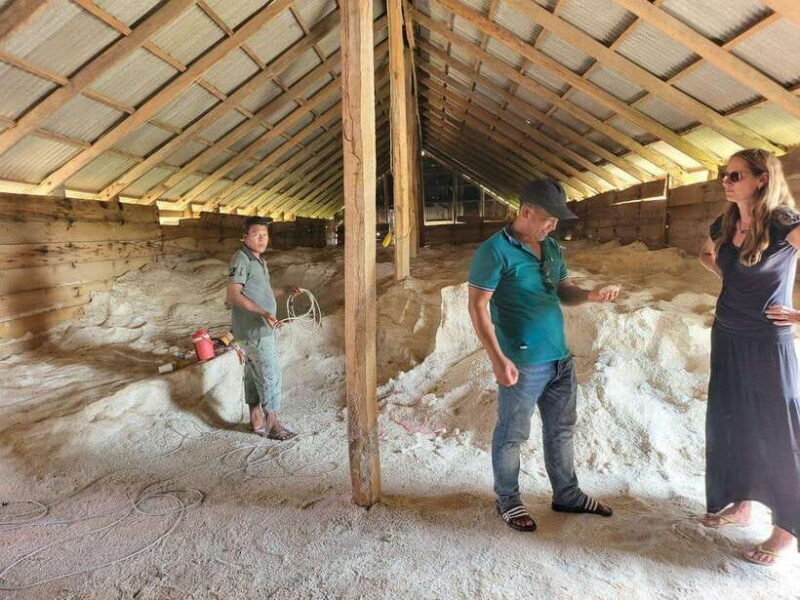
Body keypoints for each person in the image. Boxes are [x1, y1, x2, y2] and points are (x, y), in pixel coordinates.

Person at [467, 178, 621, 532]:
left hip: (559, 357)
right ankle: (507, 500)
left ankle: (567, 494)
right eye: (549, 219)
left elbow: (563, 290)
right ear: (526, 212)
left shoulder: (550, 247)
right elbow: (477, 307)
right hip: (522, 361)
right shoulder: (493, 251)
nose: (554, 226)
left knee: (562, 430)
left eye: (557, 220)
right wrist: (497, 358)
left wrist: (591, 295)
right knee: (512, 433)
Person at [698, 148, 800, 566]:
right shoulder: (724, 222)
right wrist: (736, 280)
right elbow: (708, 255)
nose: (727, 181)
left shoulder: (783, 223)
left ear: (761, 179)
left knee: (780, 429)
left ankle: (786, 531)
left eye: (736, 175)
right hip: (727, 335)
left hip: (767, 339)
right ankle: (743, 504)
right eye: (725, 174)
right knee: (732, 419)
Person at [226, 216, 301, 440]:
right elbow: (233, 295)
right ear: (244, 237)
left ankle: (256, 419)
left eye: (265, 235)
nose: (261, 239)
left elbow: (260, 292)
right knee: (270, 373)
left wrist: (283, 290)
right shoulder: (241, 259)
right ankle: (273, 424)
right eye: (256, 234)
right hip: (255, 329)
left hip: (254, 329)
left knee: (252, 373)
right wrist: (264, 313)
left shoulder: (257, 260)